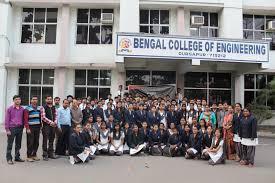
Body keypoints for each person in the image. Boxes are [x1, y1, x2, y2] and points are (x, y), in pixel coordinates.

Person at [5, 95, 25, 165]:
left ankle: (17, 157)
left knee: (18, 144)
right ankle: (9, 158)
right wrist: (7, 129)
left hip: (20, 128)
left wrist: (23, 126)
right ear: (13, 100)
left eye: (19, 99)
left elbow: (24, 118)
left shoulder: (22, 109)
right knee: (10, 144)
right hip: (12, 128)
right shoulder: (9, 109)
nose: (18, 101)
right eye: (16, 99)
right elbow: (7, 120)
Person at [24, 96, 42, 162]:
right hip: (30, 127)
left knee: (36, 142)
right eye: (33, 99)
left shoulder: (39, 108)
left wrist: (40, 127)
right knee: (30, 142)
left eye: (36, 99)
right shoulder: (27, 109)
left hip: (37, 127)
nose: (35, 101)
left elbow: (40, 118)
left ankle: (34, 155)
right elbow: (25, 119)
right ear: (31, 100)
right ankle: (29, 156)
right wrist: (27, 128)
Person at [41, 95, 57, 161]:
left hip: (53, 126)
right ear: (46, 100)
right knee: (45, 140)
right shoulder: (43, 107)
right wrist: (51, 122)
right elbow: (43, 117)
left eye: (50, 99)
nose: (49, 100)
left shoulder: (54, 107)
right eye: (48, 99)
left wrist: (55, 122)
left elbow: (56, 115)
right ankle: (45, 154)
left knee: (51, 139)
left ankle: (51, 153)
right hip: (46, 126)